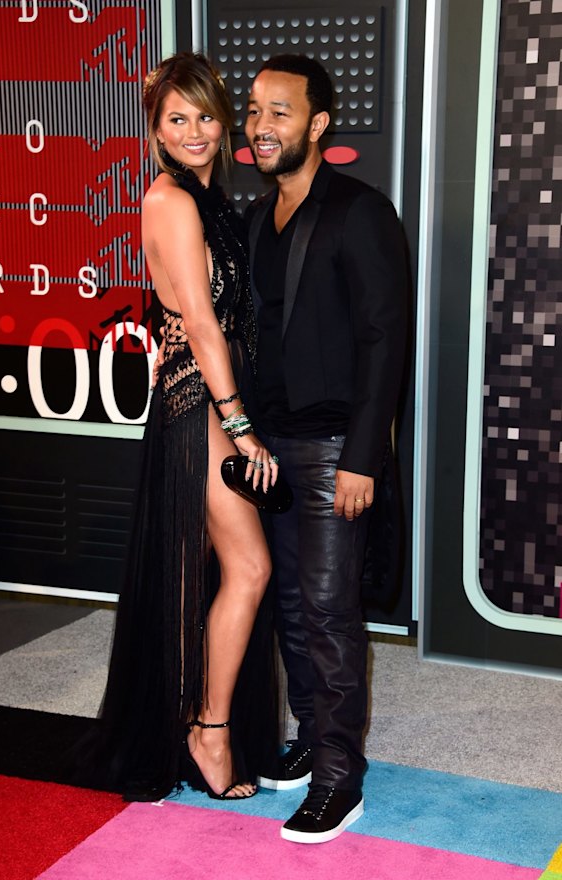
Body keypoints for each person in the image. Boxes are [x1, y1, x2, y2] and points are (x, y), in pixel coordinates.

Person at [79, 52, 279, 803]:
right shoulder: (170, 200)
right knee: (248, 570)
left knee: (214, 577)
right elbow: (197, 321)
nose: (194, 131)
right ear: (155, 131)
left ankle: (203, 719)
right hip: (198, 409)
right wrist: (241, 426)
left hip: (206, 404)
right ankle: (209, 731)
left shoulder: (208, 196)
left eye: (204, 117)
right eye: (177, 120)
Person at [244, 55, 408, 843]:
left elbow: (385, 342)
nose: (260, 125)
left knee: (330, 612)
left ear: (318, 123)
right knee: (289, 607)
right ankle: (311, 742)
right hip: (271, 445)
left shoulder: (360, 212)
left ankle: (342, 779)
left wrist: (364, 459)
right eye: (253, 110)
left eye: (280, 111)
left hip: (335, 445)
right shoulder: (256, 216)